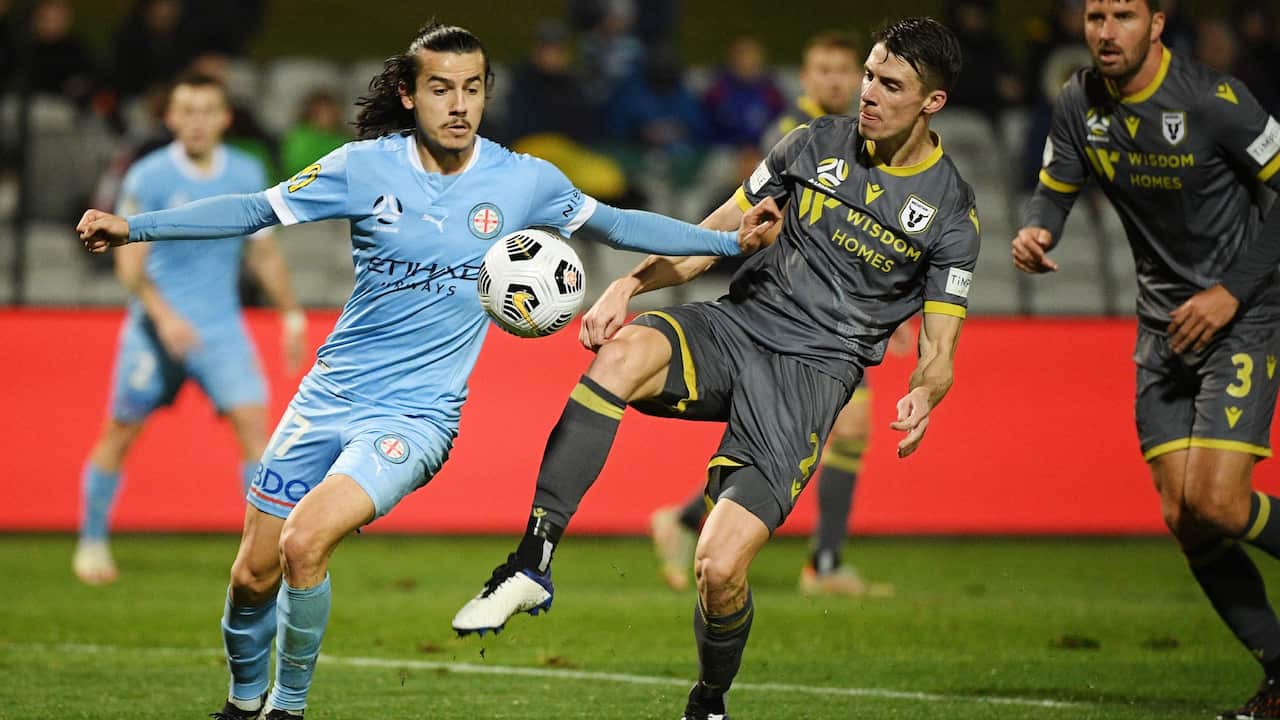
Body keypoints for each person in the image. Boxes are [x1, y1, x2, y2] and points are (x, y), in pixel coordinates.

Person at [77, 22, 772, 720]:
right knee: (252, 574)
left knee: (303, 541)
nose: (459, 104)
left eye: (472, 89)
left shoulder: (522, 181)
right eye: (442, 88)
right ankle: (240, 702)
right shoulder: (362, 168)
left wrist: (724, 241)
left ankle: (286, 709)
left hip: (417, 417)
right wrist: (134, 229)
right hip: (328, 397)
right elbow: (257, 210)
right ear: (410, 95)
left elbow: (618, 225)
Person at [453, 17, 977, 719]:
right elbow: (710, 239)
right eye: (869, 76)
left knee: (720, 570)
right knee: (627, 349)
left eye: (890, 84)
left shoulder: (950, 212)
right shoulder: (809, 144)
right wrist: (627, 286)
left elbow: (941, 347)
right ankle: (532, 561)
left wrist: (926, 392)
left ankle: (709, 701)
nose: (869, 94)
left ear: (931, 103)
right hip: (739, 325)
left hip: (811, 377)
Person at [1013, 1, 1280, 717]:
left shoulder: (1212, 100)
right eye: (1095, 15)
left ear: (1157, 24)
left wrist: (1230, 293)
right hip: (1162, 330)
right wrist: (1039, 228)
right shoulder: (1077, 101)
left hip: (1241, 317)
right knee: (1185, 517)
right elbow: (1056, 185)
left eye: (1124, 15)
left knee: (1217, 503)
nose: (1106, 31)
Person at [652, 29, 902, 597]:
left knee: (823, 432)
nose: (839, 80)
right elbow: (766, 223)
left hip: (835, 314)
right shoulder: (797, 137)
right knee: (813, 432)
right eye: (825, 70)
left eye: (848, 70)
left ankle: (700, 523)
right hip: (791, 311)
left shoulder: (865, 141)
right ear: (807, 78)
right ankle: (822, 564)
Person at [73, 71, 305, 586]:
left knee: (256, 431)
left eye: (207, 111)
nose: (196, 121)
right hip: (155, 330)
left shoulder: (247, 170)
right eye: (186, 110)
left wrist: (289, 311)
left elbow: (264, 252)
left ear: (225, 119)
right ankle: (91, 541)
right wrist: (164, 317)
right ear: (170, 117)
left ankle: (262, 554)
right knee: (120, 431)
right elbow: (130, 265)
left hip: (221, 330)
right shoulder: (149, 176)